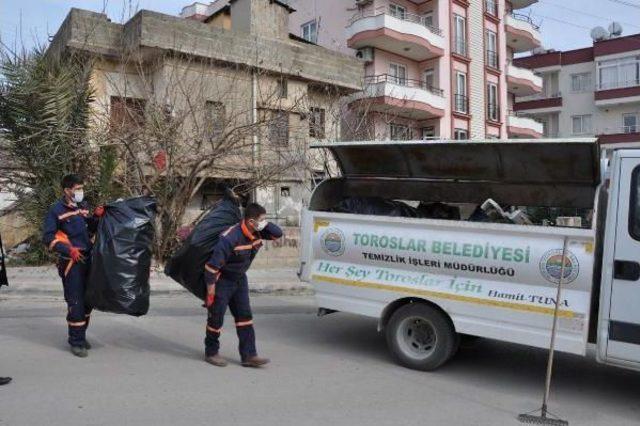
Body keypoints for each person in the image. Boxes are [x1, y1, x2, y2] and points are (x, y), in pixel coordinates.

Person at [203, 202, 282, 368]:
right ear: (250, 221)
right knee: (216, 318)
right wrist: (210, 293)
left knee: (245, 317)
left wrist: (265, 223)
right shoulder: (230, 237)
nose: (264, 223)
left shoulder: (258, 232)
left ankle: (249, 355)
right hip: (222, 280)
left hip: (239, 279)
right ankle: (211, 352)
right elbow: (211, 267)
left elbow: (277, 234)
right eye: (261, 220)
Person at [42, 174, 104, 358]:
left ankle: (81, 335)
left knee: (88, 301)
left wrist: (96, 217)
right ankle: (76, 342)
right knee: (76, 301)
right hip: (71, 262)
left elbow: (90, 229)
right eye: (77, 188)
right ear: (67, 190)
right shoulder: (56, 210)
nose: (80, 192)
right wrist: (68, 250)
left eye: (81, 188)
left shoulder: (83, 207)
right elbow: (48, 237)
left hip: (88, 259)